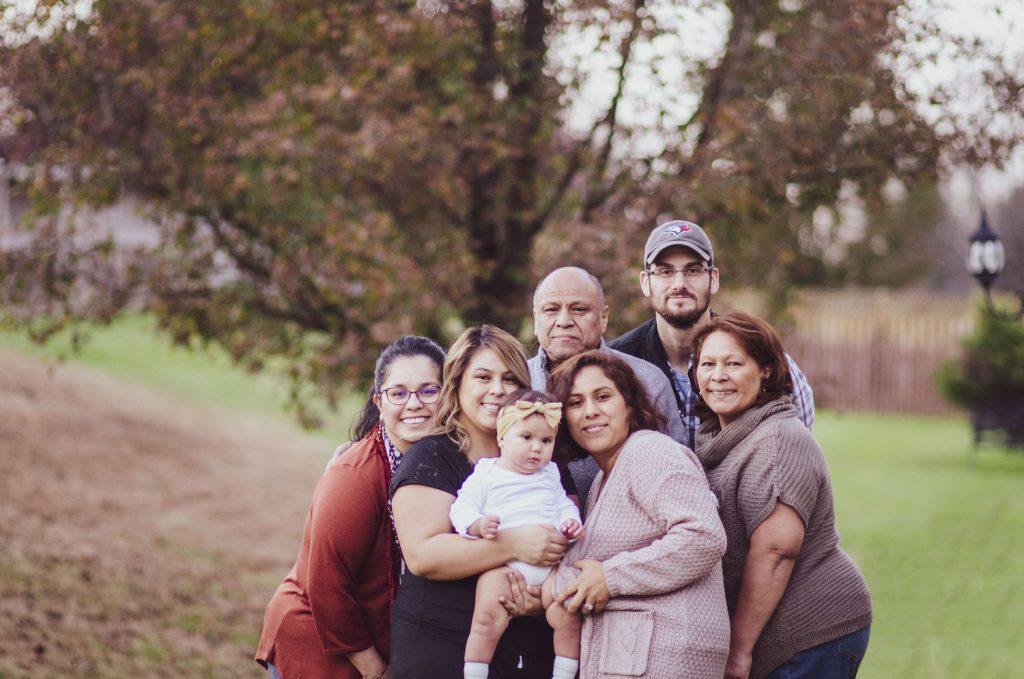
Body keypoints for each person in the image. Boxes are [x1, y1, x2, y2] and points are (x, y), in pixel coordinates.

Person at [691, 311, 871, 679]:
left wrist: (738, 653)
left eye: (734, 363)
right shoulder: (718, 440)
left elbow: (776, 552)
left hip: (811, 630)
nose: (718, 376)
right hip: (777, 632)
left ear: (767, 371)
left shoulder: (779, 440)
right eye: (707, 364)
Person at [389, 325, 576, 679]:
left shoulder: (546, 464)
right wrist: (515, 543)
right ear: (456, 384)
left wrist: (541, 602)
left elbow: (567, 541)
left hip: (526, 657)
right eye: (483, 377)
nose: (498, 390)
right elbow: (424, 556)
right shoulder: (433, 457)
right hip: (442, 651)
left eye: (509, 378)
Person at [255, 335, 446, 679]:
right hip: (320, 649)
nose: (414, 403)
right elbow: (327, 587)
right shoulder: (354, 476)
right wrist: (376, 672)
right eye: (399, 393)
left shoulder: (439, 463)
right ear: (379, 401)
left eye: (428, 390)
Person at [546, 350, 731, 678]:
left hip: (669, 656)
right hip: (634, 657)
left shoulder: (650, 451)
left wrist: (611, 577)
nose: (590, 411)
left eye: (603, 397)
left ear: (629, 403)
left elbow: (703, 535)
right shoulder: (607, 475)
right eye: (575, 403)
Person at [609, 219, 815, 450]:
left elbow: (797, 451)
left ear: (713, 279)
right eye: (665, 271)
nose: (679, 283)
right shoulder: (617, 362)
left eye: (693, 270)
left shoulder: (762, 359)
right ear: (646, 283)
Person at [449, 389, 585, 679]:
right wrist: (477, 524)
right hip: (503, 566)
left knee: (568, 614)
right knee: (486, 618)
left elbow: (561, 505)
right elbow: (461, 507)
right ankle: (475, 673)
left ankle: (564, 674)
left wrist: (570, 522)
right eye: (526, 438)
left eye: (546, 441)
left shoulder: (550, 474)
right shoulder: (488, 473)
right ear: (501, 437)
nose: (537, 448)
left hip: (549, 570)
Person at [530, 266, 687, 504]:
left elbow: (679, 475)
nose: (563, 321)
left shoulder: (647, 380)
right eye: (551, 310)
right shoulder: (514, 380)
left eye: (579, 309)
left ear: (603, 317)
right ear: (535, 318)